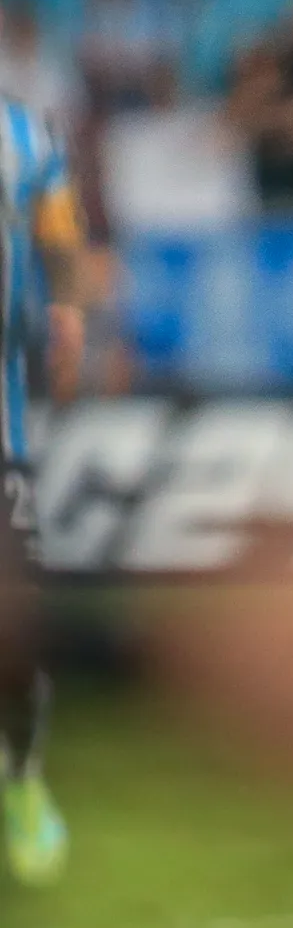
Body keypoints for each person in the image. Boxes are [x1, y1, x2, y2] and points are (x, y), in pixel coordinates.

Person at [0, 99, 85, 886]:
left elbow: (59, 237)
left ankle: (22, 780)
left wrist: (66, 308)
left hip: (1, 436)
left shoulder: (22, 133)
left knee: (13, 637)